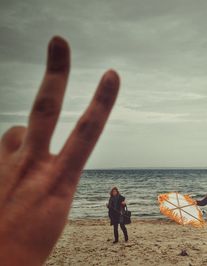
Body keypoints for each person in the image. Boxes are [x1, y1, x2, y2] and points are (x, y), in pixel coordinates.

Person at [0, 36, 120, 265]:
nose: (114, 193)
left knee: (119, 229)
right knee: (115, 229)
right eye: (113, 192)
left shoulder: (119, 196)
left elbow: (122, 201)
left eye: (115, 192)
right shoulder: (110, 197)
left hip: (118, 217)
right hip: (111, 216)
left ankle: (120, 237)